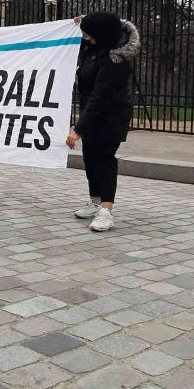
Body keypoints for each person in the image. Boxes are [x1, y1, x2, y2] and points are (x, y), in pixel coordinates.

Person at [67, 13, 139, 232]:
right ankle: (95, 201)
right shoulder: (96, 48)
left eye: (88, 35)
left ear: (101, 35)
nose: (85, 38)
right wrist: (82, 23)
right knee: (90, 158)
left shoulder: (115, 60)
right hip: (93, 111)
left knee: (104, 159)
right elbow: (79, 45)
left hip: (111, 116)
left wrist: (78, 129)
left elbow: (100, 97)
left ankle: (106, 210)